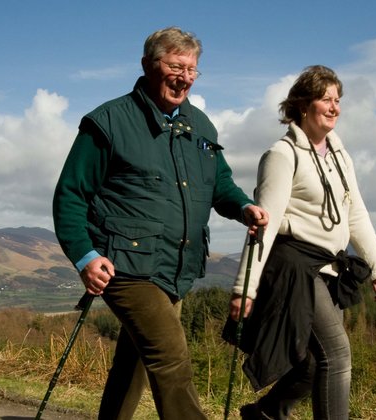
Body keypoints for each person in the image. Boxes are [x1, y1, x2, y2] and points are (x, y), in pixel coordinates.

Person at [52, 27, 268, 420]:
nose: (184, 76)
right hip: (124, 265)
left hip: (176, 267)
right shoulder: (109, 122)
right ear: (148, 65)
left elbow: (218, 183)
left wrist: (243, 207)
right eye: (175, 65)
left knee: (134, 363)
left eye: (192, 69)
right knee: (171, 356)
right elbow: (70, 194)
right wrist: (85, 256)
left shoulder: (199, 125)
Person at [228, 65, 376, 420]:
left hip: (329, 266)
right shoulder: (281, 155)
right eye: (325, 99)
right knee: (337, 354)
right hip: (293, 267)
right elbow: (264, 225)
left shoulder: (339, 155)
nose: (334, 107)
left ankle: (266, 413)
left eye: (337, 99)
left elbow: (356, 213)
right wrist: (245, 288)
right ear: (303, 105)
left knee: (313, 364)